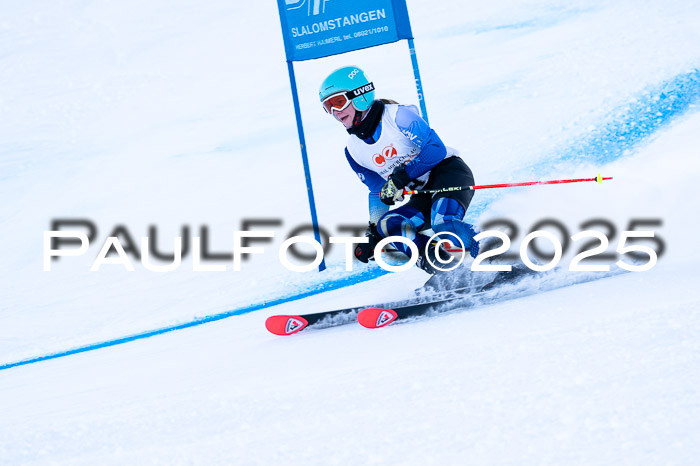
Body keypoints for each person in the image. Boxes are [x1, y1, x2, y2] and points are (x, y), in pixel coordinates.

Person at [319, 66, 480, 274]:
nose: (335, 112)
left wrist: (399, 178)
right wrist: (374, 234)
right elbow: (378, 190)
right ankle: (444, 268)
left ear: (360, 95)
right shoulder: (353, 150)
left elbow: (435, 150)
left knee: (443, 221)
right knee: (390, 226)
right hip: (422, 191)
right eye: (328, 106)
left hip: (448, 173)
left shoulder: (398, 116)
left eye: (338, 102)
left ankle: (493, 252)